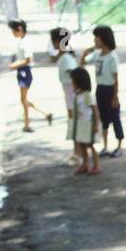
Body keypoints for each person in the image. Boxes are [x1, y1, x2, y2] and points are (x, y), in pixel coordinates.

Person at [81, 25, 123, 158]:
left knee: (115, 118)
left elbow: (116, 78)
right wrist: (85, 53)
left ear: (104, 39)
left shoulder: (112, 57)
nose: (94, 41)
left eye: (96, 38)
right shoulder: (97, 54)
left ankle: (119, 146)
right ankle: (105, 146)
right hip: (100, 89)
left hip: (110, 89)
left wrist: (115, 96)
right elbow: (82, 64)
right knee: (103, 119)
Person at [7, 20, 52, 133]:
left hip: (24, 71)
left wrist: (14, 65)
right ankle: (44, 115)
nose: (12, 32)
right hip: (22, 71)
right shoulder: (22, 41)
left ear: (19, 28)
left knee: (23, 99)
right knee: (24, 100)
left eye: (13, 30)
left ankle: (27, 124)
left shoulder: (25, 42)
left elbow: (28, 59)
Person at [49, 28, 78, 164]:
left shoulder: (66, 59)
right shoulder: (64, 57)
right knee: (74, 124)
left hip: (73, 97)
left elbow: (75, 79)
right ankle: (77, 153)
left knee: (75, 124)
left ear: (56, 41)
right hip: (70, 96)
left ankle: (77, 154)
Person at [68, 67, 100, 176]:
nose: (71, 83)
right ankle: (85, 164)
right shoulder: (77, 96)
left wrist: (96, 124)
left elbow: (94, 110)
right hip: (80, 124)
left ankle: (97, 165)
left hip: (87, 124)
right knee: (82, 145)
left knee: (90, 145)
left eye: (73, 81)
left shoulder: (87, 95)